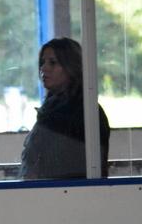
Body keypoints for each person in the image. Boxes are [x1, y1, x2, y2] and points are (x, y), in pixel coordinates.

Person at [20, 37, 111, 180]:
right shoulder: (52, 109)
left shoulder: (85, 112)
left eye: (52, 63)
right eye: (42, 62)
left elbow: (65, 166)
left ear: (71, 67)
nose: (44, 68)